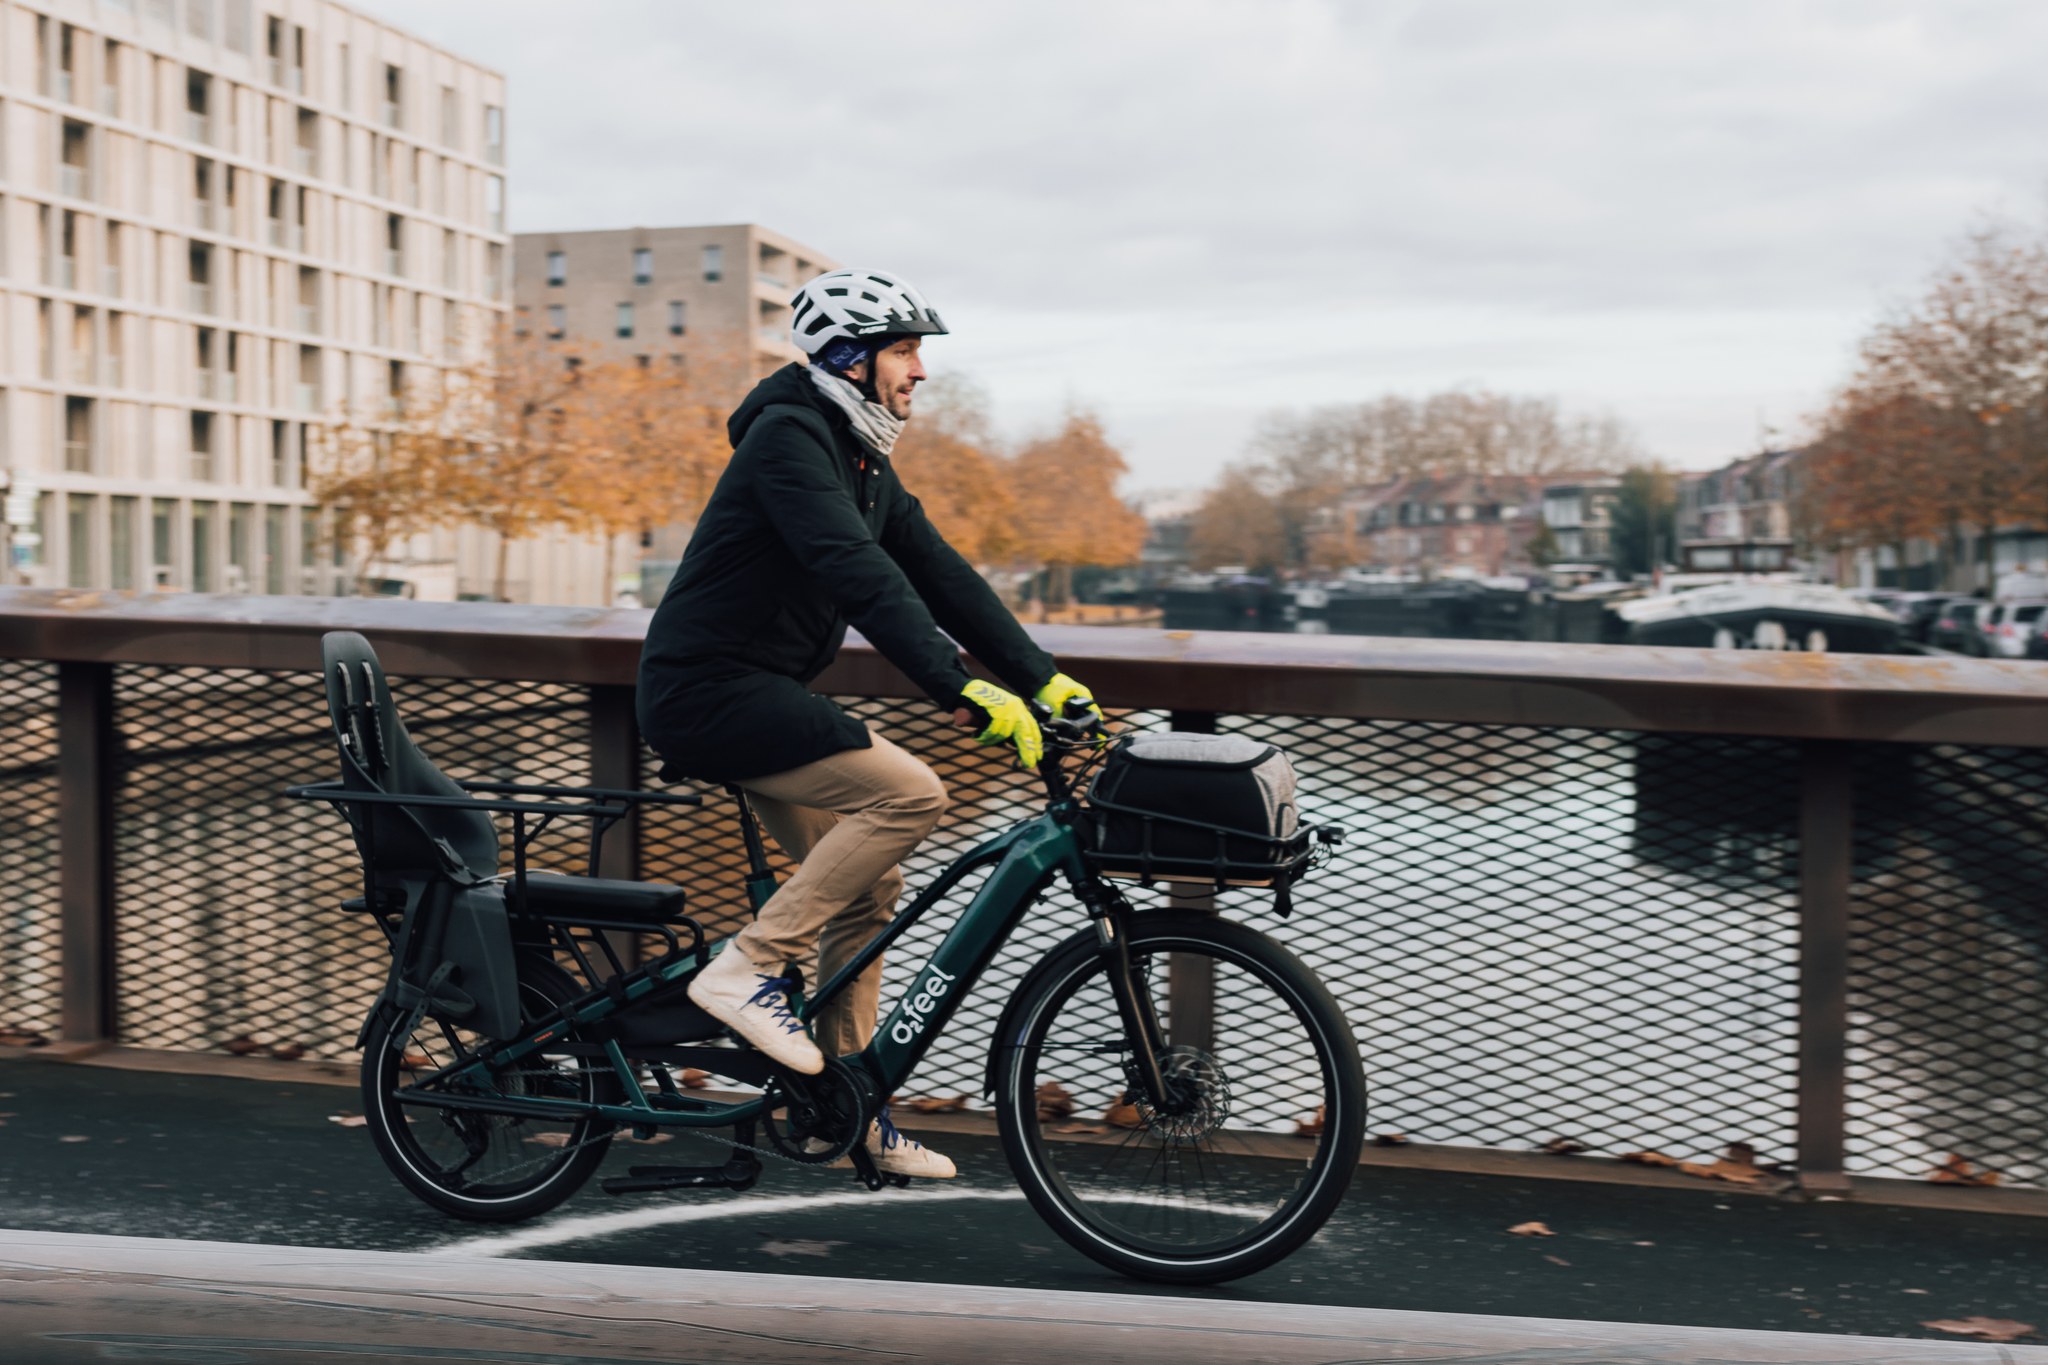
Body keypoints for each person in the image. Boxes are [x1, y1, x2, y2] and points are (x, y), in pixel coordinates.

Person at [637, 268, 1101, 1179]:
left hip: (756, 692)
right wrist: (962, 692)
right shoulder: (788, 439)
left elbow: (943, 576)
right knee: (910, 793)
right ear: (849, 358)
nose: (920, 370)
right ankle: (747, 969)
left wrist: (1043, 682)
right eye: (905, 349)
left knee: (867, 892)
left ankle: (851, 1110)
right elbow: (857, 574)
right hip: (709, 690)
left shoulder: (861, 461)